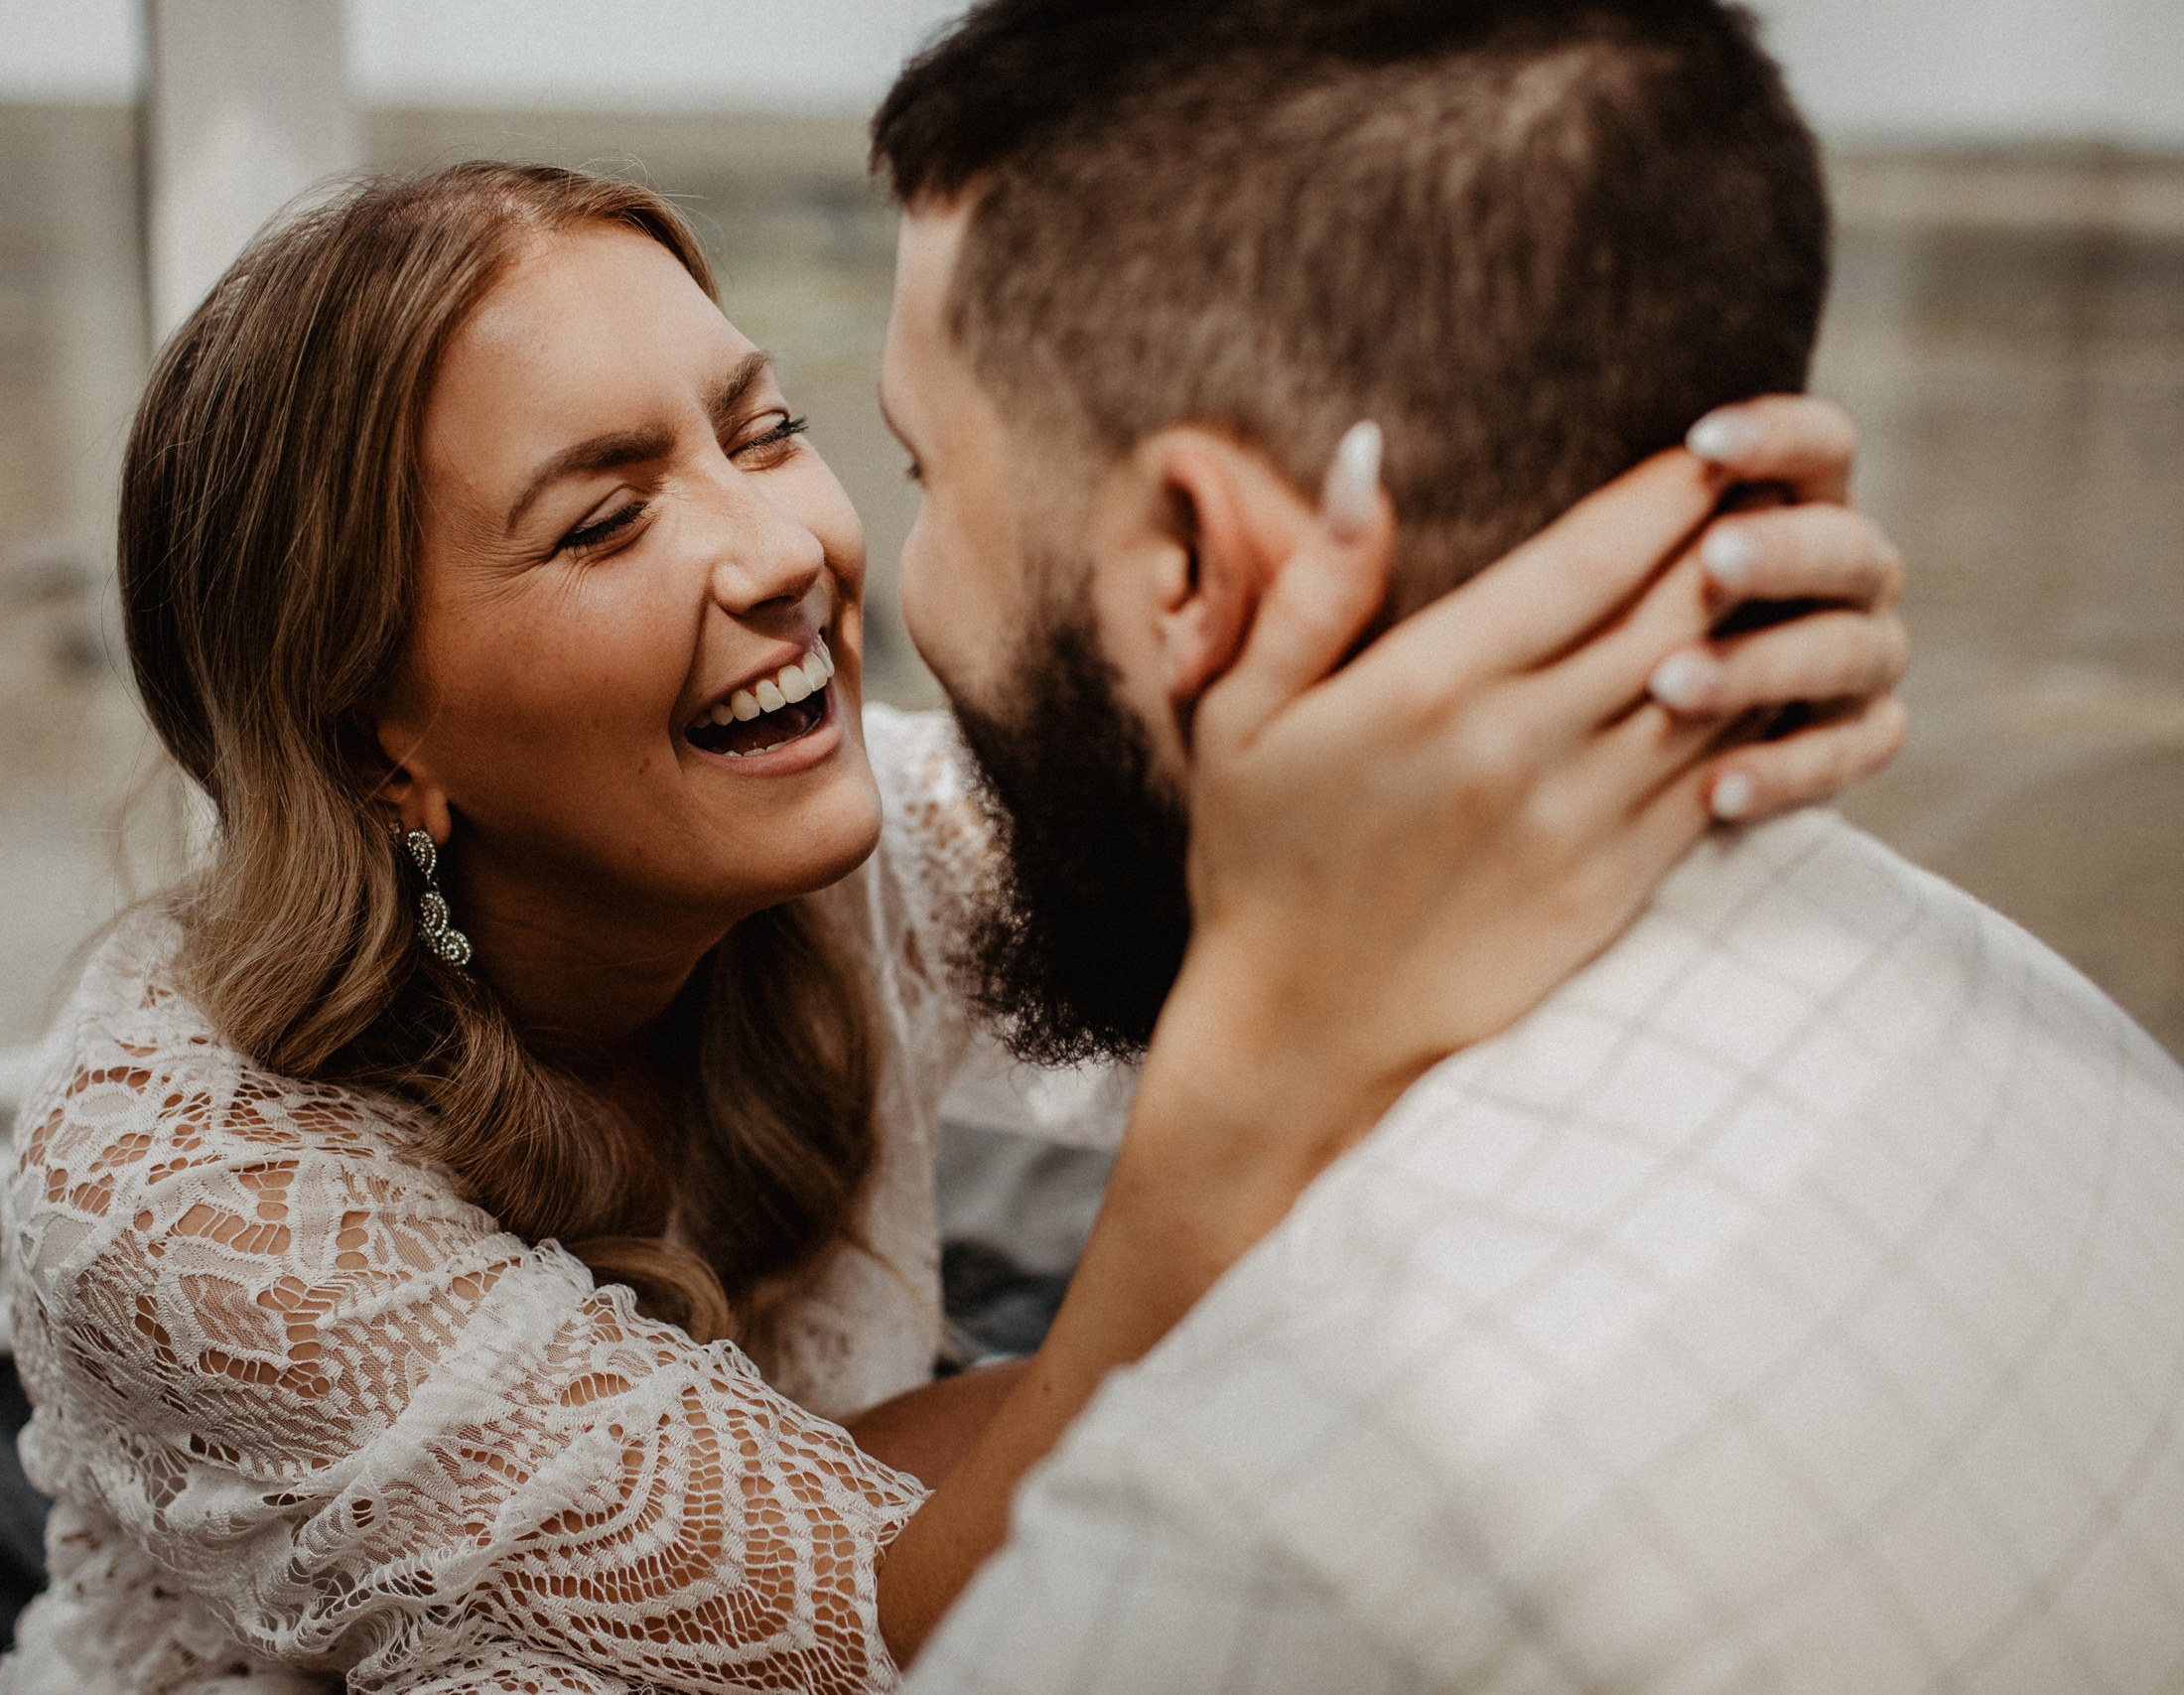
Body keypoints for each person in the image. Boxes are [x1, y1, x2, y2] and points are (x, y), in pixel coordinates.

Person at [0, 139, 1908, 1694]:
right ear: (377, 736)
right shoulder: (185, 1208)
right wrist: (1248, 1095)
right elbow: (902, 1619)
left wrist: (1696, 615)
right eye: (602, 517)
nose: (788, 551)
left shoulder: (851, 850)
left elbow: (1310, 778)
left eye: (760, 427)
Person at [863, 1, 2184, 1688]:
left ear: (1192, 561)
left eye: (919, 468)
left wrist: (1250, 1068)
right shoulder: (2046, 1017)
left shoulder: (1253, 1533)